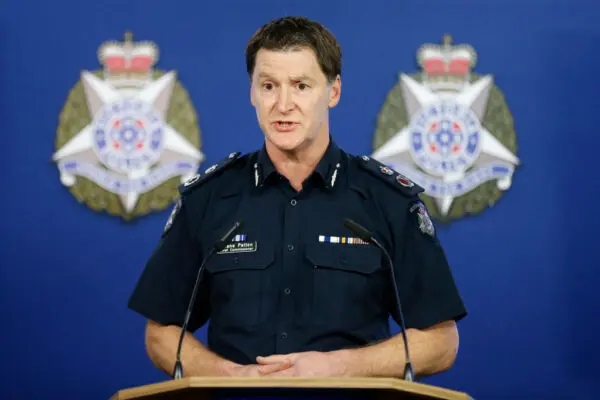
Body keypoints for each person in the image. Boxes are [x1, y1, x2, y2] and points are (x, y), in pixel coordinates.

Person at [127, 15, 467, 379]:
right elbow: (161, 333)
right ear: (252, 93)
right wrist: (231, 376)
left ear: (333, 91)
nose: (283, 104)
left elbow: (441, 342)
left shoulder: (387, 201)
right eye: (269, 85)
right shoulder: (208, 200)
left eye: (301, 86)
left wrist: (340, 367)